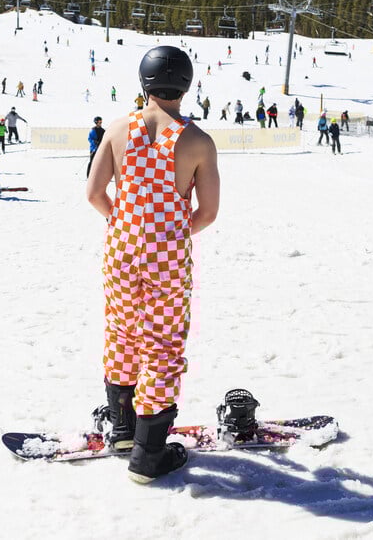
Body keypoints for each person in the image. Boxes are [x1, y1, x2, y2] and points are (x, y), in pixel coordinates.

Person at [85, 46, 220, 484]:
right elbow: (208, 212)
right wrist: (169, 234)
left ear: (144, 83)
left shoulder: (119, 128)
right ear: (186, 84)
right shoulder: (198, 141)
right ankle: (147, 456)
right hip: (167, 257)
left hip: (121, 250)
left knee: (122, 331)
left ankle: (122, 429)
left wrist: (126, 225)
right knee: (161, 346)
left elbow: (94, 194)